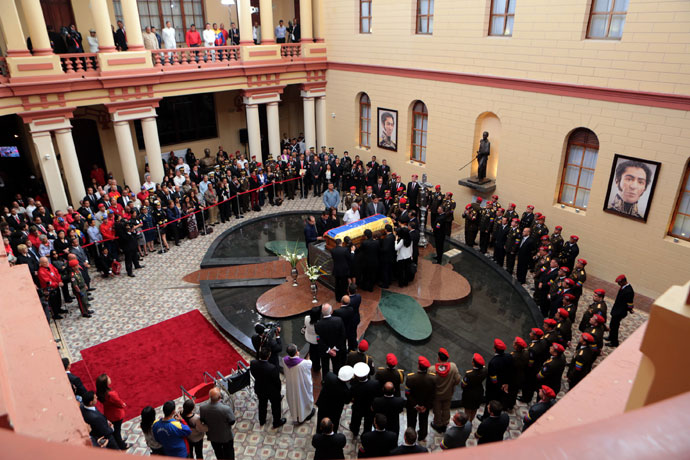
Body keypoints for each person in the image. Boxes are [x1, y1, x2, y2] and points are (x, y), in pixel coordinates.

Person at [250, 347, 286, 428]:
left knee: (262, 404)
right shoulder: (272, 368)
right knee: (276, 406)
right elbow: (277, 382)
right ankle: (276, 422)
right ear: (268, 356)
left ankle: (262, 420)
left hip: (260, 388)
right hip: (272, 391)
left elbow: (253, 373)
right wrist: (278, 391)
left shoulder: (253, 363)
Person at [481, 339, 514, 420]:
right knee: (499, 400)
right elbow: (510, 371)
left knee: (489, 401)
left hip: (493, 388)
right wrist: (506, 383)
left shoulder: (493, 362)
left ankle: (485, 416)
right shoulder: (509, 356)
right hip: (503, 385)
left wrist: (498, 386)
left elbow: (493, 379)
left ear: (495, 349)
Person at [405, 356, 435, 442]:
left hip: (412, 405)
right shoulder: (432, 378)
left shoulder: (410, 378)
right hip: (425, 406)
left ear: (418, 366)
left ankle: (410, 436)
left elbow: (407, 394)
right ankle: (422, 436)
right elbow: (432, 395)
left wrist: (416, 405)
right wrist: (425, 406)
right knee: (424, 421)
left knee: (411, 421)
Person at [283, 344, 315, 424]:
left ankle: (296, 415)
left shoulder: (284, 360)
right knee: (302, 399)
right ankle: (305, 415)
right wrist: (308, 358)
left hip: (290, 384)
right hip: (300, 386)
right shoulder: (303, 363)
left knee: (293, 399)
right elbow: (310, 363)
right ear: (297, 352)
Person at [199, 387, 235, 460]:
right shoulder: (226, 409)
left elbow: (203, 420)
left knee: (218, 453)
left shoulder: (203, 408)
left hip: (213, 436)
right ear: (220, 397)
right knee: (229, 453)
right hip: (226, 436)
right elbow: (232, 421)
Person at [95, 373, 129, 450]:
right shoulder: (111, 394)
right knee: (117, 431)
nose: (110, 378)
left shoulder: (100, 393)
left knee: (116, 429)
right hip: (116, 414)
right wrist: (123, 404)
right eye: (108, 378)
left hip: (108, 413)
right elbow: (119, 403)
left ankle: (118, 440)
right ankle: (122, 445)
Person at [432, 348, 461, 432]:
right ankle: (445, 423)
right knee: (446, 409)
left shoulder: (432, 369)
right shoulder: (453, 366)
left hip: (437, 395)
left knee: (437, 410)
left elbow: (430, 383)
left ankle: (437, 424)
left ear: (438, 358)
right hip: (448, 393)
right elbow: (458, 379)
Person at [316, 366, 352, 433]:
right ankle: (333, 433)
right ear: (347, 380)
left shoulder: (329, 375)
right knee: (334, 422)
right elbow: (347, 401)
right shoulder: (346, 390)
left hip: (323, 404)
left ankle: (319, 432)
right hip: (334, 410)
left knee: (321, 419)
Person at [315, 303, 347, 377]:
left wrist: (328, 350)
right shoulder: (339, 320)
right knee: (336, 366)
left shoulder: (318, 324)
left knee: (325, 366)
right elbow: (343, 336)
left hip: (324, 350)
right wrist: (335, 348)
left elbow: (318, 338)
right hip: (336, 350)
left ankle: (325, 381)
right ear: (331, 311)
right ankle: (337, 379)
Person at [606, 274, 634, 347]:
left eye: (619, 283)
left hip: (620, 312)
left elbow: (630, 302)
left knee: (615, 327)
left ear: (623, 281)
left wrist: (630, 309)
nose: (618, 284)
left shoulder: (629, 291)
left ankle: (614, 342)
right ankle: (610, 337)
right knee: (612, 325)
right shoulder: (623, 287)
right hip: (617, 309)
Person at [459, 353, 486, 422]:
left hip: (469, 394)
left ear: (473, 363)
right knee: (474, 409)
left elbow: (463, 385)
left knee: (467, 410)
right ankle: (470, 421)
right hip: (479, 392)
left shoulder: (469, 374)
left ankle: (466, 423)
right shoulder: (485, 370)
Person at [330, 238, 354, 302]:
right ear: (341, 243)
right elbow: (350, 258)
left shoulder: (332, 250)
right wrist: (352, 251)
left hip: (336, 270)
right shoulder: (345, 250)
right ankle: (344, 297)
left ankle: (338, 298)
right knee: (344, 284)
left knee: (337, 284)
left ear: (335, 244)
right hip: (344, 270)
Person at [304, 306, 322, 374]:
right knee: (317, 354)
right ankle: (316, 367)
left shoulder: (306, 318)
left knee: (312, 350)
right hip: (316, 339)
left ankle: (312, 362)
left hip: (309, 337)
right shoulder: (319, 323)